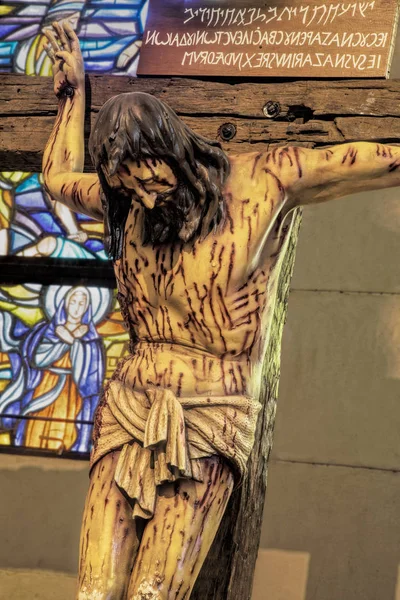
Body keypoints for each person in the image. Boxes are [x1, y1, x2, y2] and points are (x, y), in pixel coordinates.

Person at [42, 22, 400, 600]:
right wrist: (72, 95)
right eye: (130, 190)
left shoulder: (262, 181)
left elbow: (371, 159)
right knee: (94, 591)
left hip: (211, 414)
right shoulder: (122, 202)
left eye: (154, 182)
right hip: (128, 405)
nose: (147, 200)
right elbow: (57, 178)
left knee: (154, 594)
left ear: (174, 151)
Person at [0, 286, 104, 453]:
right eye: (73, 302)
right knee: (34, 427)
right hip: (45, 385)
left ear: (88, 307)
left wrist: (74, 342)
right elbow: (37, 360)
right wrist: (63, 340)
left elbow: (93, 380)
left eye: (82, 303)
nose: (77, 307)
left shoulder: (91, 340)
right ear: (65, 303)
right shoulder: (47, 331)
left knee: (66, 435)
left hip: (74, 395)